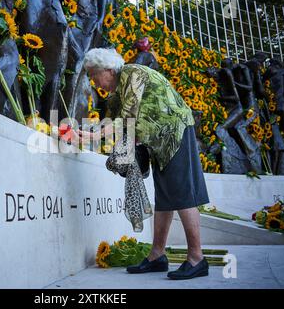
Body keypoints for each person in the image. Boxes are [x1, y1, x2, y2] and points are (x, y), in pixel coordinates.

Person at [80, 48, 211, 280]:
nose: (94, 81)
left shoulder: (132, 73)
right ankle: (157, 256)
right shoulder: (117, 92)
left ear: (108, 70)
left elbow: (127, 118)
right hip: (158, 141)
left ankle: (197, 258)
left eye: (94, 75)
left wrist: (92, 136)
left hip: (175, 132)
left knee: (182, 194)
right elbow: (119, 123)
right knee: (164, 198)